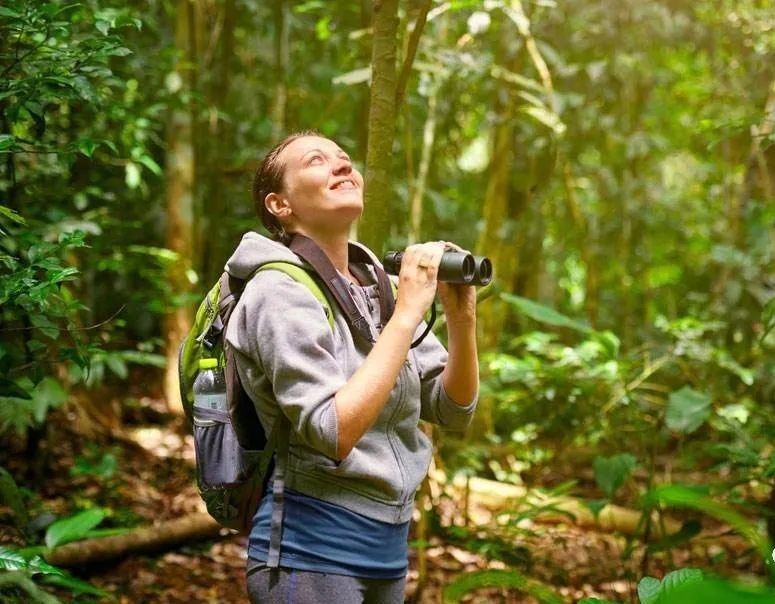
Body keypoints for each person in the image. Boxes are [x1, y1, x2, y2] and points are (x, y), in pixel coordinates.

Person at [224, 130, 479, 604]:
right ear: (280, 205)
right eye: (317, 161)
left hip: (387, 552)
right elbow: (332, 430)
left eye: (344, 158)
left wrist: (462, 318)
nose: (342, 165)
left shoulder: (373, 286)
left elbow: (452, 408)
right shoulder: (277, 291)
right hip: (310, 554)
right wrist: (407, 316)